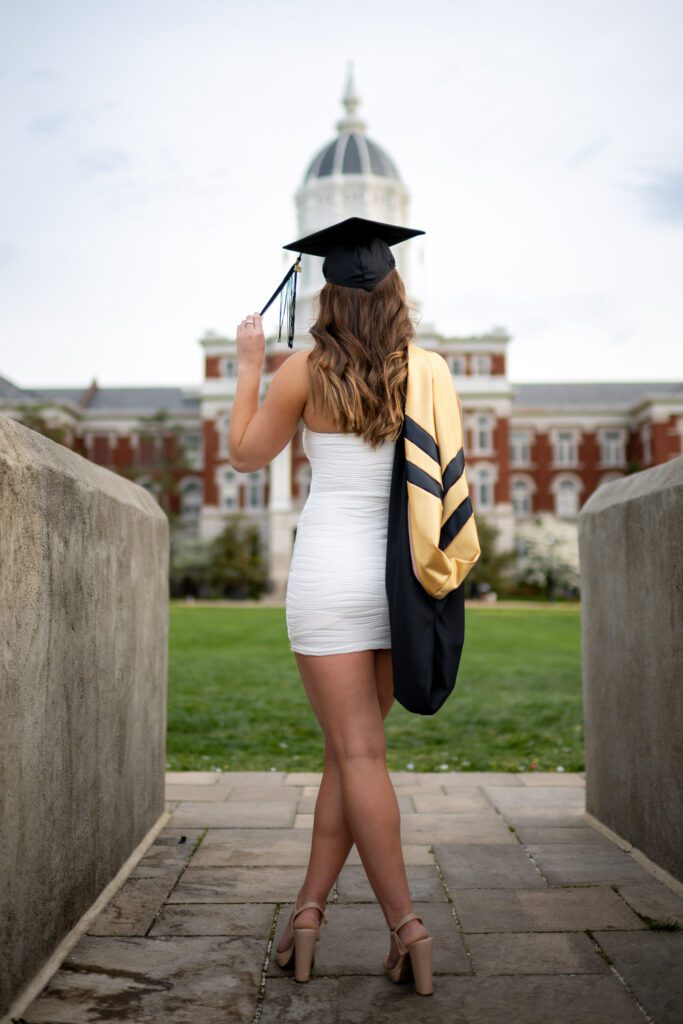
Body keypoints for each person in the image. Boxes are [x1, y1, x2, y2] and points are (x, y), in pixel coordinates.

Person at [228, 217, 434, 996]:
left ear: (329, 293)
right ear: (392, 290)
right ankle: (308, 912)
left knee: (355, 756)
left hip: (326, 579)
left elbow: (247, 452)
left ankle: (406, 926)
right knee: (348, 758)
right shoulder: (424, 371)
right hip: (397, 585)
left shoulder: (303, 369)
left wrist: (251, 364)